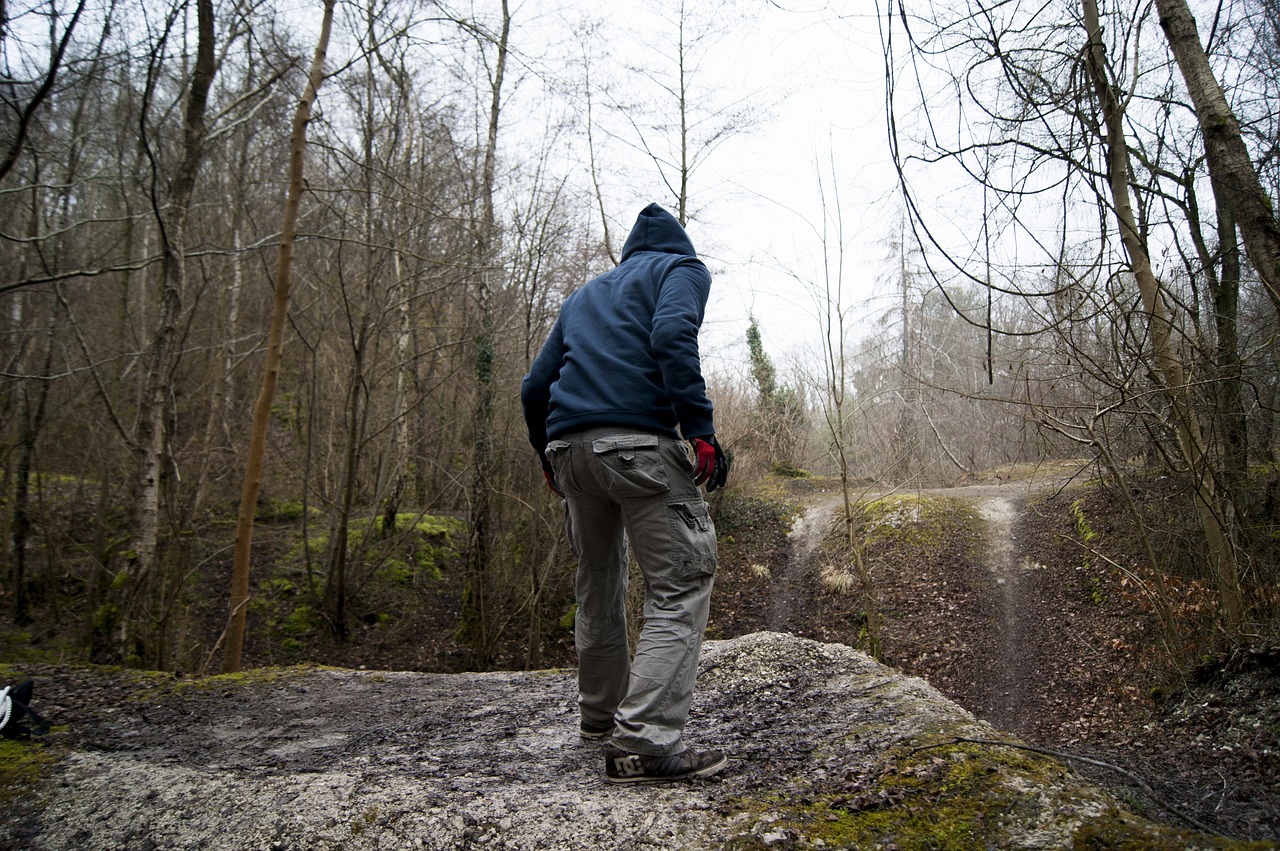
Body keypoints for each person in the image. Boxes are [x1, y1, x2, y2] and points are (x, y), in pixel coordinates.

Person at [520, 203, 730, 784]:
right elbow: (671, 334)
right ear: (677, 246)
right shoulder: (682, 271)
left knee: (598, 583)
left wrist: (546, 452)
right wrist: (700, 429)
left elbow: (535, 385)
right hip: (639, 447)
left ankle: (599, 721)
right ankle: (643, 743)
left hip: (571, 454)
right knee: (679, 583)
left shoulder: (587, 294)